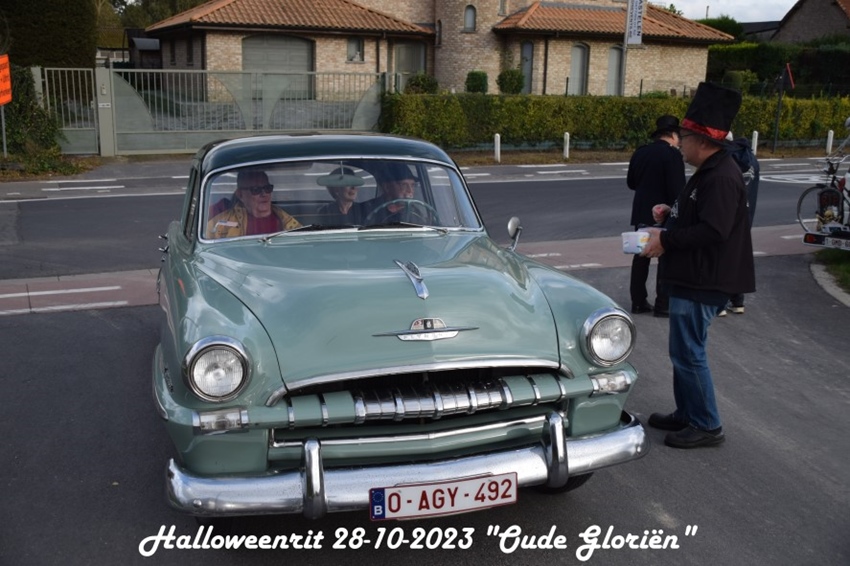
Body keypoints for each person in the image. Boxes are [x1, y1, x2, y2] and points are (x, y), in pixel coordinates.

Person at [640, 82, 756, 449]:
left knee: (689, 352)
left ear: (703, 141)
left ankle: (706, 423)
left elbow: (714, 230)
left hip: (705, 278)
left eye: (685, 137)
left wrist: (666, 239)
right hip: (696, 275)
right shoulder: (712, 170)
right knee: (683, 352)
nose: (680, 143)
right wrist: (670, 214)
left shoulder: (720, 176)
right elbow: (702, 217)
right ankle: (688, 411)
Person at [626, 114, 686, 317]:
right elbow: (678, 189)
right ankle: (663, 304)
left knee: (640, 257)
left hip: (642, 210)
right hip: (664, 213)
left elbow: (631, 183)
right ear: (673, 135)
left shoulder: (641, 152)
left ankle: (638, 302)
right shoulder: (672, 155)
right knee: (665, 257)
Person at [720, 133, 760, 315]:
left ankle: (720, 304)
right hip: (746, 214)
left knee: (722, 257)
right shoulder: (751, 158)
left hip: (727, 213)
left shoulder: (725, 158)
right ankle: (738, 301)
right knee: (738, 256)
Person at [206, 169, 301, 238]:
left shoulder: (285, 220)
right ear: (240, 195)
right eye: (256, 190)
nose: (264, 194)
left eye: (267, 188)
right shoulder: (221, 223)